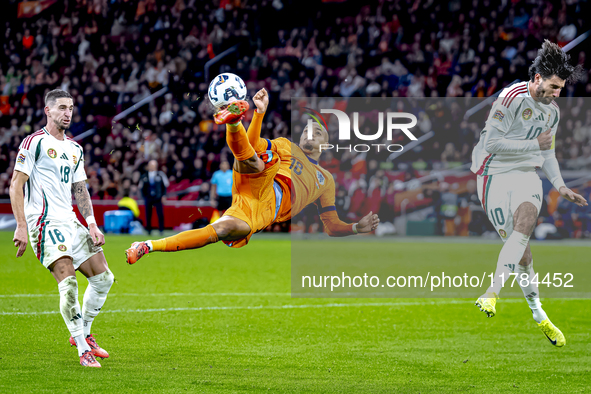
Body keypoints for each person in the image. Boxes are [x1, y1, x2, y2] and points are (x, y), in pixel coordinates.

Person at [126, 88, 379, 262]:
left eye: (317, 133)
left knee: (220, 230)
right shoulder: (285, 145)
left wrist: (356, 227)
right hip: (264, 182)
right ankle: (234, 122)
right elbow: (255, 144)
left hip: (259, 212)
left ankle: (146, 246)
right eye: (306, 131)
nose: (309, 135)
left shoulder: (326, 180)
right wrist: (259, 113)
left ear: (326, 143)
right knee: (260, 160)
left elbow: (331, 226)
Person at [471, 40, 587, 347]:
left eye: (559, 88)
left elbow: (548, 154)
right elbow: (492, 146)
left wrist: (561, 185)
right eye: (551, 86)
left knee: (525, 224)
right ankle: (539, 314)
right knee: (522, 254)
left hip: (524, 175)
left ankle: (492, 293)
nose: (554, 94)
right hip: (491, 175)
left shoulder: (553, 113)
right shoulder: (510, 99)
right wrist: (532, 146)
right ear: (537, 79)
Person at [10, 89, 114, 368]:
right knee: (68, 283)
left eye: (71, 108)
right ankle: (82, 348)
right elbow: (16, 185)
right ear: (48, 111)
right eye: (62, 108)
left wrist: (91, 224)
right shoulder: (34, 143)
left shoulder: (75, 148)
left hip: (70, 221)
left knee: (104, 279)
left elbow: (80, 189)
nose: (68, 113)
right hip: (44, 223)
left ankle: (86, 332)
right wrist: (21, 225)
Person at [138, 160, 169, 235]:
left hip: (158, 197)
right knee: (148, 214)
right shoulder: (144, 175)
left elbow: (165, 186)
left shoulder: (160, 174)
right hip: (148, 197)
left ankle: (161, 229)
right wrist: (144, 196)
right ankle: (148, 229)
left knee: (160, 214)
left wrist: (163, 195)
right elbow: (141, 187)